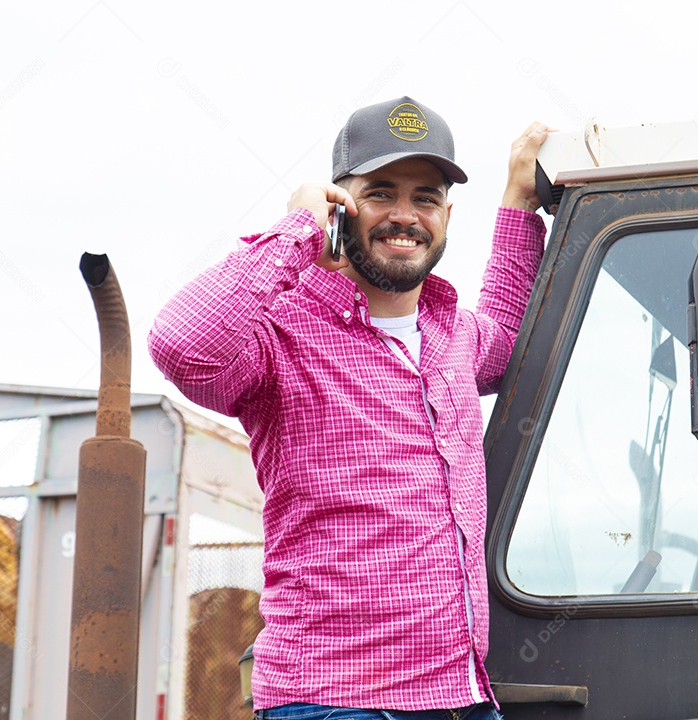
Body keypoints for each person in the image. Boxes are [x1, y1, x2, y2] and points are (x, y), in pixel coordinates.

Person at [149, 96, 548, 719]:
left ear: (446, 214)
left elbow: (510, 338)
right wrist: (296, 234)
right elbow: (183, 346)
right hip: (335, 704)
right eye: (381, 193)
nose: (404, 216)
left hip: (462, 701)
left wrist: (519, 204)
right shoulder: (282, 333)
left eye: (425, 197)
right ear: (340, 204)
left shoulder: (455, 335)